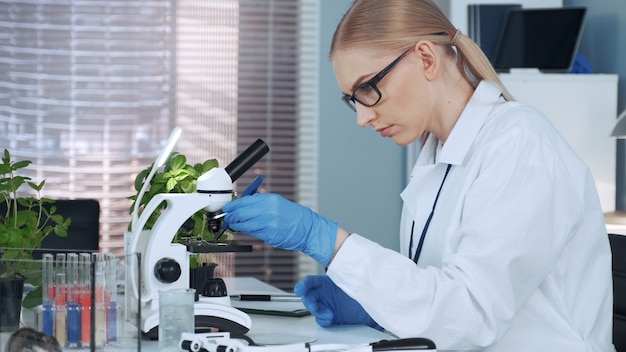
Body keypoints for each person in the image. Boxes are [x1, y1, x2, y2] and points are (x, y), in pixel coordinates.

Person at [222, 0, 615, 350]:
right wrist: (375, 306)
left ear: (425, 58)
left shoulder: (520, 143)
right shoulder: (437, 155)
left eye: (368, 89)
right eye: (351, 100)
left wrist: (327, 241)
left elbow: (471, 316)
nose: (362, 117)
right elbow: (440, 294)